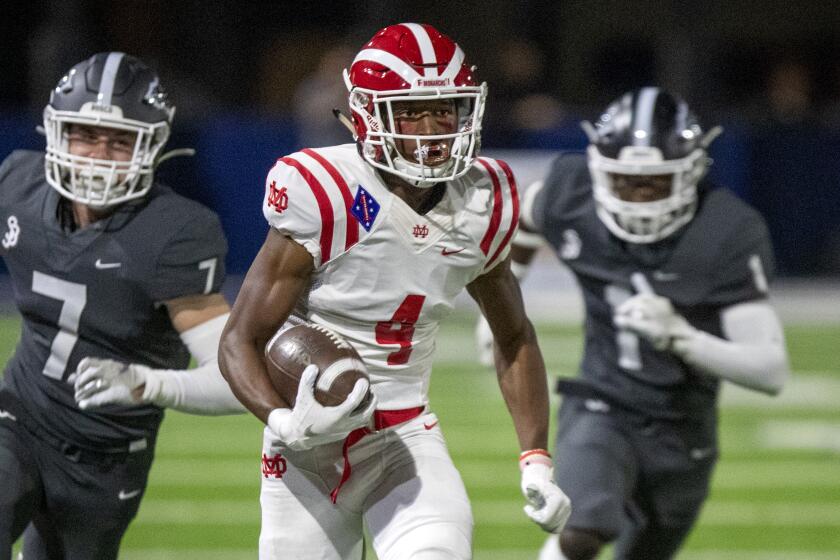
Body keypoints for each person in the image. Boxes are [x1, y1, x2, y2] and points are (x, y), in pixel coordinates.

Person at [218, 23, 571, 560]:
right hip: (306, 451)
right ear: (367, 115)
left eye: (443, 110)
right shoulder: (326, 191)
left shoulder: (483, 199)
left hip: (405, 437)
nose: (431, 128)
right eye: (409, 111)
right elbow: (239, 339)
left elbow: (515, 335)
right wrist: (285, 421)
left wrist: (536, 458)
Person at [477, 87, 790, 560]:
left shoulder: (726, 229)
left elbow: (770, 370)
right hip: (603, 400)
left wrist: (681, 337)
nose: (639, 198)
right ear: (600, 171)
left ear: (690, 174)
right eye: (625, 181)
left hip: (684, 425)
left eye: (656, 183)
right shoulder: (571, 190)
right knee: (583, 528)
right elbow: (524, 223)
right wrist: (499, 312)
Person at [0, 52, 244, 559]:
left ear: (150, 145)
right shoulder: (18, 185)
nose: (98, 154)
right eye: (85, 134)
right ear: (56, 132)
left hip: (105, 455)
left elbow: (232, 377)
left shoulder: (174, 234)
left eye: (119, 140)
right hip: (19, 416)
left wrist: (146, 384)